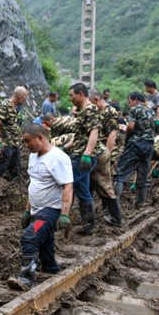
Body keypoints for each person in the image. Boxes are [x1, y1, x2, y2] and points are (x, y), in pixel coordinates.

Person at [9, 124, 73, 291]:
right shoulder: (33, 156)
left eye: (27, 141)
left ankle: (25, 278)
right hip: (36, 210)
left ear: (40, 138)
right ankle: (51, 269)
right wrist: (26, 210)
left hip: (50, 210)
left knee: (30, 236)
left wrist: (65, 214)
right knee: (45, 244)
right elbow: (34, 183)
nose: (26, 145)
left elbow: (68, 186)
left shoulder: (58, 158)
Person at [61, 83, 101, 235]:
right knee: (83, 190)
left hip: (83, 157)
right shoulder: (82, 111)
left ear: (81, 94)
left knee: (65, 184)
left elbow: (94, 132)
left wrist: (87, 153)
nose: (70, 98)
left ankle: (62, 218)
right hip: (78, 153)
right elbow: (80, 136)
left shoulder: (90, 109)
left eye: (72, 95)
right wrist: (66, 147)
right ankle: (89, 225)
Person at [114, 92, 156, 207]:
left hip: (136, 143)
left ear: (135, 100)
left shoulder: (135, 109)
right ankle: (140, 203)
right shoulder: (151, 111)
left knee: (121, 173)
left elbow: (131, 127)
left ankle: (114, 205)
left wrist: (126, 138)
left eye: (130, 101)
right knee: (143, 174)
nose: (129, 104)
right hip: (149, 145)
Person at [88, 89, 122, 227]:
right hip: (96, 152)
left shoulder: (110, 112)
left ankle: (115, 218)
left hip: (105, 154)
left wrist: (107, 154)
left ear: (96, 99)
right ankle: (92, 216)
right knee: (91, 184)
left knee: (105, 184)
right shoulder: (96, 112)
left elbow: (112, 136)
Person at [0, 87, 28, 180]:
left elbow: (14, 124)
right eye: (24, 98)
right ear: (19, 97)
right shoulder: (5, 106)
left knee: (16, 165)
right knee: (3, 163)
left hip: (15, 142)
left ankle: (13, 185)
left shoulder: (16, 107)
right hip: (7, 142)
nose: (25, 100)